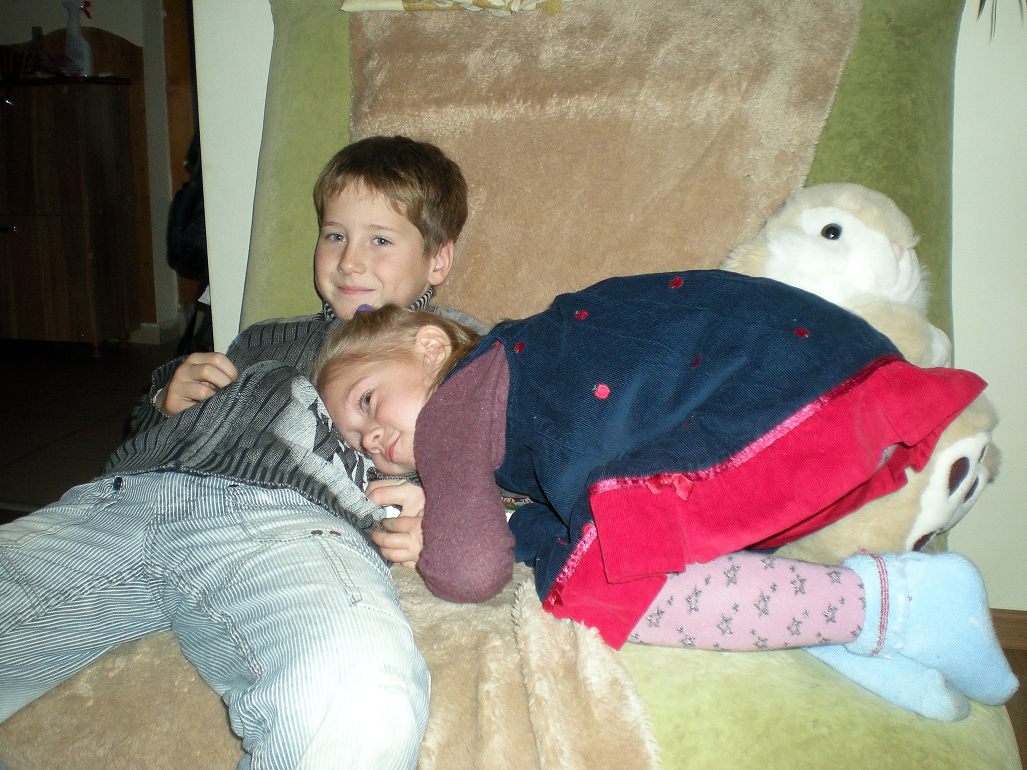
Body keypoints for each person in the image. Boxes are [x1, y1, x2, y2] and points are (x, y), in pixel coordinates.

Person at [312, 273, 1019, 721]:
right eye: (356, 439)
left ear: (431, 348)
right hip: (797, 368)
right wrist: (487, 516)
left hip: (760, 385)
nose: (372, 437)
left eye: (367, 401)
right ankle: (839, 629)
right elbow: (537, 515)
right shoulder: (518, 390)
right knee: (604, 537)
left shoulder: (456, 404)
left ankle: (892, 607)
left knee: (595, 577)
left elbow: (471, 572)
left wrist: (440, 534)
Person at [0, 135, 483, 769]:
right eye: (334, 235)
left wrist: (447, 516)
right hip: (125, 505)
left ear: (438, 260)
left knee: (353, 701)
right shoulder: (264, 339)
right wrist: (164, 400)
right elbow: (140, 434)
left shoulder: (461, 350)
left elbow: (521, 460)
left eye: (380, 241)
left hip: (286, 529)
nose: (349, 262)